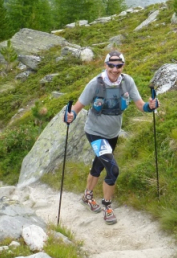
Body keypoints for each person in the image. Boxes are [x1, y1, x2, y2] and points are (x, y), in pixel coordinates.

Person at [63, 50, 159, 225]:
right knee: (113, 170)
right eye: (111, 65)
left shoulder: (127, 82)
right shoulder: (95, 84)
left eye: (119, 66)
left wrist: (150, 106)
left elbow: (141, 105)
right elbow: (77, 107)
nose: (115, 69)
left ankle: (87, 196)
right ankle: (107, 207)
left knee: (99, 165)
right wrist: (71, 116)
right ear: (105, 65)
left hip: (113, 134)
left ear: (123, 66)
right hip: (95, 132)